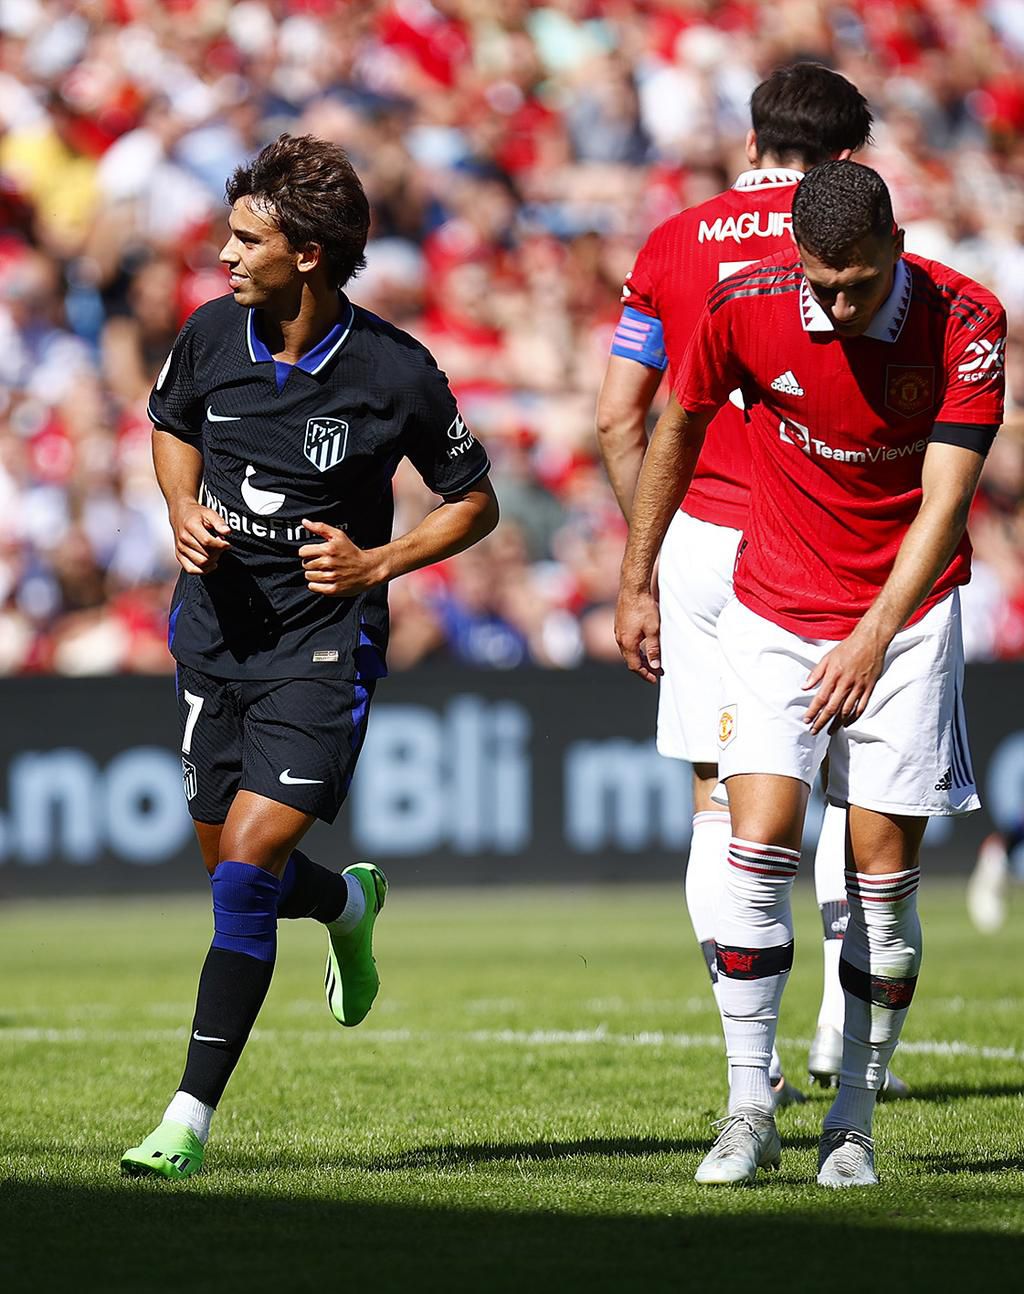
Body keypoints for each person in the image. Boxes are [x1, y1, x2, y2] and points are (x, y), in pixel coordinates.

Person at [615, 161, 1005, 1187]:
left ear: (896, 248)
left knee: (879, 880)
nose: (836, 306)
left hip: (906, 619)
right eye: (820, 284)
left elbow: (944, 503)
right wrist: (636, 576)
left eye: (858, 285)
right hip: (773, 608)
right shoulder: (743, 305)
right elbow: (674, 427)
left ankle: (852, 1121)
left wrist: (874, 634)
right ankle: (749, 1107)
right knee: (756, 844)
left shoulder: (966, 323)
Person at [121, 134, 498, 1179]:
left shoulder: (393, 371)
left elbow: (473, 501)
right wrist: (178, 505)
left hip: (322, 645)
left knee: (244, 878)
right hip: (213, 635)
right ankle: (346, 905)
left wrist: (377, 561)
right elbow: (170, 425)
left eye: (247, 240)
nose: (224, 255)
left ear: (309, 255)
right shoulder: (210, 333)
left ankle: (186, 1121)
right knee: (233, 871)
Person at [597, 63, 905, 1099]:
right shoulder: (852, 244)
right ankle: (840, 1038)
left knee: (719, 801)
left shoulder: (672, 241)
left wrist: (647, 555)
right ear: (847, 159)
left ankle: (753, 1061)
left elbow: (618, 416)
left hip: (697, 539)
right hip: (820, 537)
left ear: (751, 138)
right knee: (846, 784)